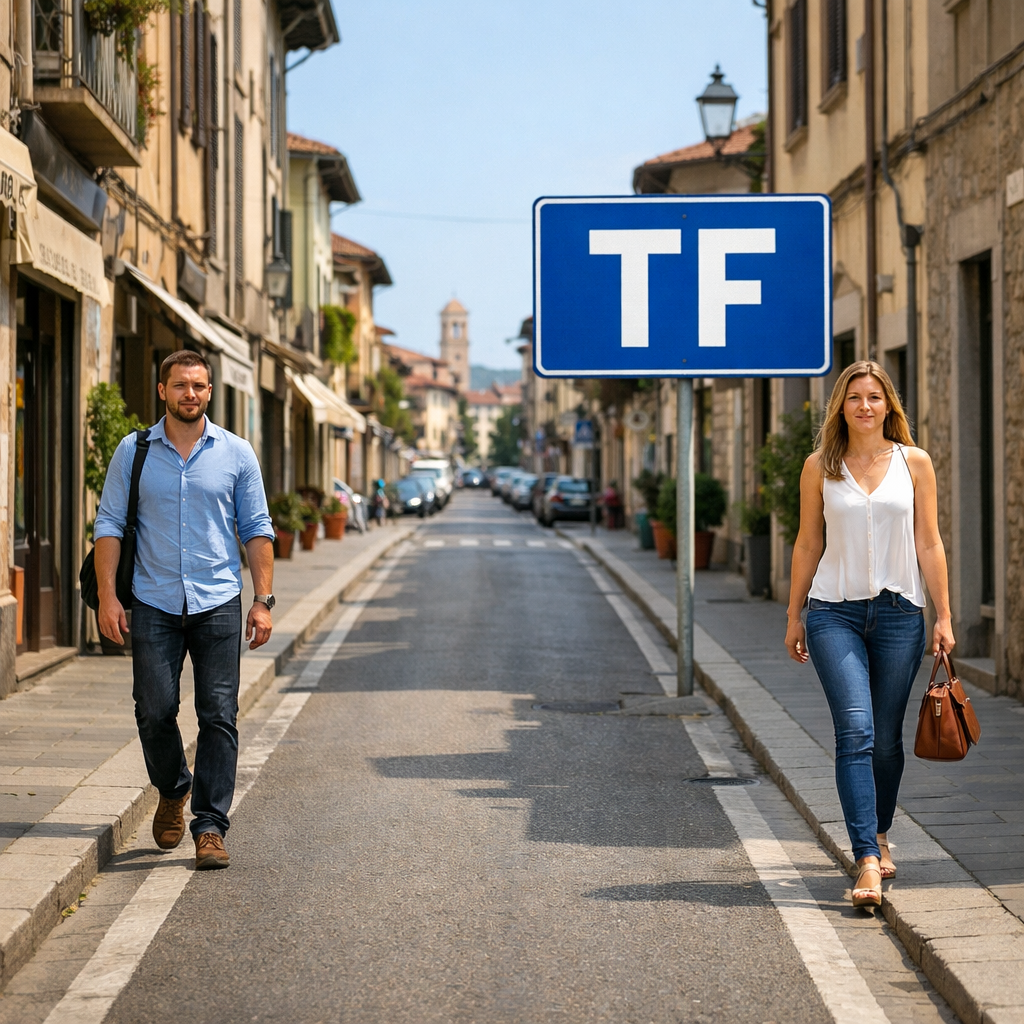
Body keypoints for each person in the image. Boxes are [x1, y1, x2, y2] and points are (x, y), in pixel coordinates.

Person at [94, 351, 276, 871]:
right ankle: (173, 788)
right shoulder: (134, 451)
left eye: (198, 385)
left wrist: (262, 602)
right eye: (180, 385)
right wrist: (109, 597)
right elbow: (108, 525)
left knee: (219, 714)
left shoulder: (237, 454)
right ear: (161, 391)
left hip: (218, 599)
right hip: (152, 600)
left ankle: (210, 826)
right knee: (153, 709)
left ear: (211, 392)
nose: (189, 394)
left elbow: (257, 529)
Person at [784, 361, 953, 909]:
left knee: (885, 738)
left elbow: (929, 542)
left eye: (874, 397)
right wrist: (794, 613)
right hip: (833, 612)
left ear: (888, 406)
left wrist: (944, 616)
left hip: (902, 613)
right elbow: (808, 542)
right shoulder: (820, 467)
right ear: (841, 406)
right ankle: (865, 860)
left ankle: (880, 833)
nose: (864, 406)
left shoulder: (915, 463)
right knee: (855, 730)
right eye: (854, 397)